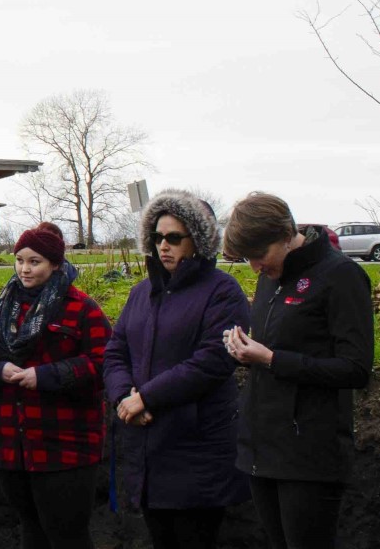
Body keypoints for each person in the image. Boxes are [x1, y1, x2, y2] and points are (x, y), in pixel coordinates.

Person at [219, 192, 373, 549]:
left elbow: (355, 369)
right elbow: (277, 347)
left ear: (286, 234)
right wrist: (244, 352)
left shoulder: (341, 276)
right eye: (248, 259)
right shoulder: (270, 276)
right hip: (262, 448)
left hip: (310, 456)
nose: (256, 266)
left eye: (260, 256)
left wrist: (272, 359)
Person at [103, 190, 249, 549]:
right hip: (148, 449)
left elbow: (214, 360)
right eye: (157, 237)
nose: (163, 245)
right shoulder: (142, 292)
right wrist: (124, 397)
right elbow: (115, 350)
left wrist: (146, 398)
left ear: (197, 240)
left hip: (196, 449)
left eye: (173, 237)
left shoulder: (222, 291)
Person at [0, 223, 110, 549]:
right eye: (20, 260)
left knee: (68, 536)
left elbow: (104, 365)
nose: (25, 268)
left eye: (34, 261)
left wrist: (47, 376)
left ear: (55, 264)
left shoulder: (82, 309)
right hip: (8, 445)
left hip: (66, 446)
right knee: (31, 531)